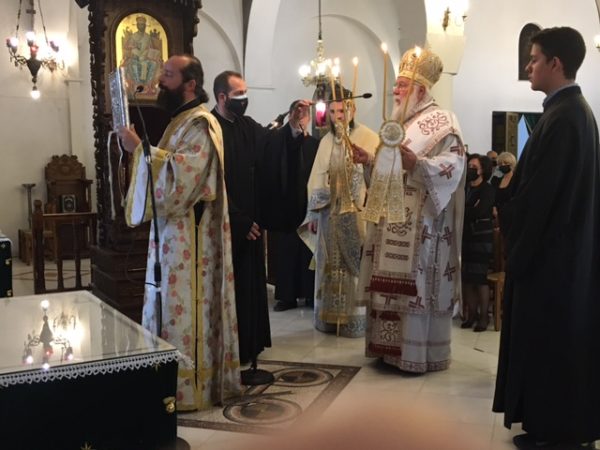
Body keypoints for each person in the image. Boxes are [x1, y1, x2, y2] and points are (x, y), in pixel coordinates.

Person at [493, 26, 600, 449]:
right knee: (552, 345)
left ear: (556, 63)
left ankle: (555, 433)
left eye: (534, 59)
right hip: (560, 257)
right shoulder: (569, 113)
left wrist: (508, 211)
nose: (528, 66)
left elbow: (541, 198)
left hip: (551, 261)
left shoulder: (565, 117)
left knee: (550, 345)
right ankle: (548, 427)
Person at [118, 54, 241, 411]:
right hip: (172, 238)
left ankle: (190, 387)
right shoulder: (180, 122)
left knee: (183, 311)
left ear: (190, 84)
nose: (160, 80)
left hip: (192, 243)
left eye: (168, 75)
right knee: (165, 306)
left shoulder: (201, 124)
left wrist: (139, 149)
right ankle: (163, 379)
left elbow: (183, 180)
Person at [353, 47, 466, 373]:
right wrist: (369, 161)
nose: (395, 90)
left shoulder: (443, 122)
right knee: (388, 287)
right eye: (396, 84)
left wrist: (418, 163)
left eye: (402, 85)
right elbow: (387, 174)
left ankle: (415, 355)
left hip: (422, 226)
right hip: (391, 222)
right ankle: (386, 350)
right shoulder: (399, 124)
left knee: (415, 288)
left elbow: (454, 166)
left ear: (421, 90)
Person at [299, 86, 379, 337]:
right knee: (329, 268)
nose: (337, 117)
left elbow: (375, 178)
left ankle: (353, 322)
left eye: (342, 110)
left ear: (352, 109)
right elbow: (316, 179)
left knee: (353, 268)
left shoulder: (369, 137)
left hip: (357, 217)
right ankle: (327, 320)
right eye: (332, 112)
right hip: (329, 216)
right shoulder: (325, 141)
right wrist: (314, 214)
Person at [260, 100, 319, 311]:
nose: (302, 119)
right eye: (297, 114)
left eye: (304, 115)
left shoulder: (315, 144)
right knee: (286, 250)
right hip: (286, 204)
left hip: (309, 203)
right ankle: (287, 296)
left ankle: (310, 294)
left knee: (308, 250)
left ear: (309, 118)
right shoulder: (280, 139)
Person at [461, 154, 495, 332]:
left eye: (474, 167)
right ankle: (471, 315)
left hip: (481, 238)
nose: (470, 170)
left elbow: (480, 211)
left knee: (479, 279)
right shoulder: (465, 188)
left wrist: (466, 211)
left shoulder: (487, 190)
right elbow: (459, 209)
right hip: (466, 236)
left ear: (483, 170)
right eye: (469, 166)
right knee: (467, 278)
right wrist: (468, 211)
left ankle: (483, 318)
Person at [121, 15, 162, 95]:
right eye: (139, 24)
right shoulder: (133, 36)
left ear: (145, 26)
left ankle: (148, 86)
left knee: (153, 64)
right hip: (135, 58)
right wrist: (133, 47)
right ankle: (137, 86)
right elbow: (127, 47)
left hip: (145, 58)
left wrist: (149, 52)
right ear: (137, 25)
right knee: (133, 64)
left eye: (143, 25)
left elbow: (152, 48)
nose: (141, 26)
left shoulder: (147, 37)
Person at [491, 151, 517, 238]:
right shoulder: (496, 179)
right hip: (496, 215)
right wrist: (494, 207)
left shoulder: (517, 180)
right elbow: (493, 196)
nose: (503, 165)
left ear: (512, 164)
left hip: (511, 217)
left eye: (505, 163)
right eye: (500, 163)